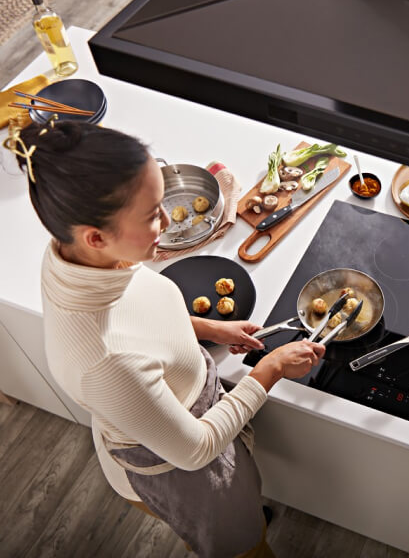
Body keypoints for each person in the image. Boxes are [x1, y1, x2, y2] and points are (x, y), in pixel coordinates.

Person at [6, 120, 325, 557]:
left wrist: (211, 328)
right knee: (248, 548)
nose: (165, 222)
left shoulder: (77, 257)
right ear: (96, 237)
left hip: (188, 413)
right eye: (152, 215)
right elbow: (194, 451)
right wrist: (269, 371)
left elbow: (137, 319)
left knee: (247, 507)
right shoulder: (103, 360)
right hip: (184, 469)